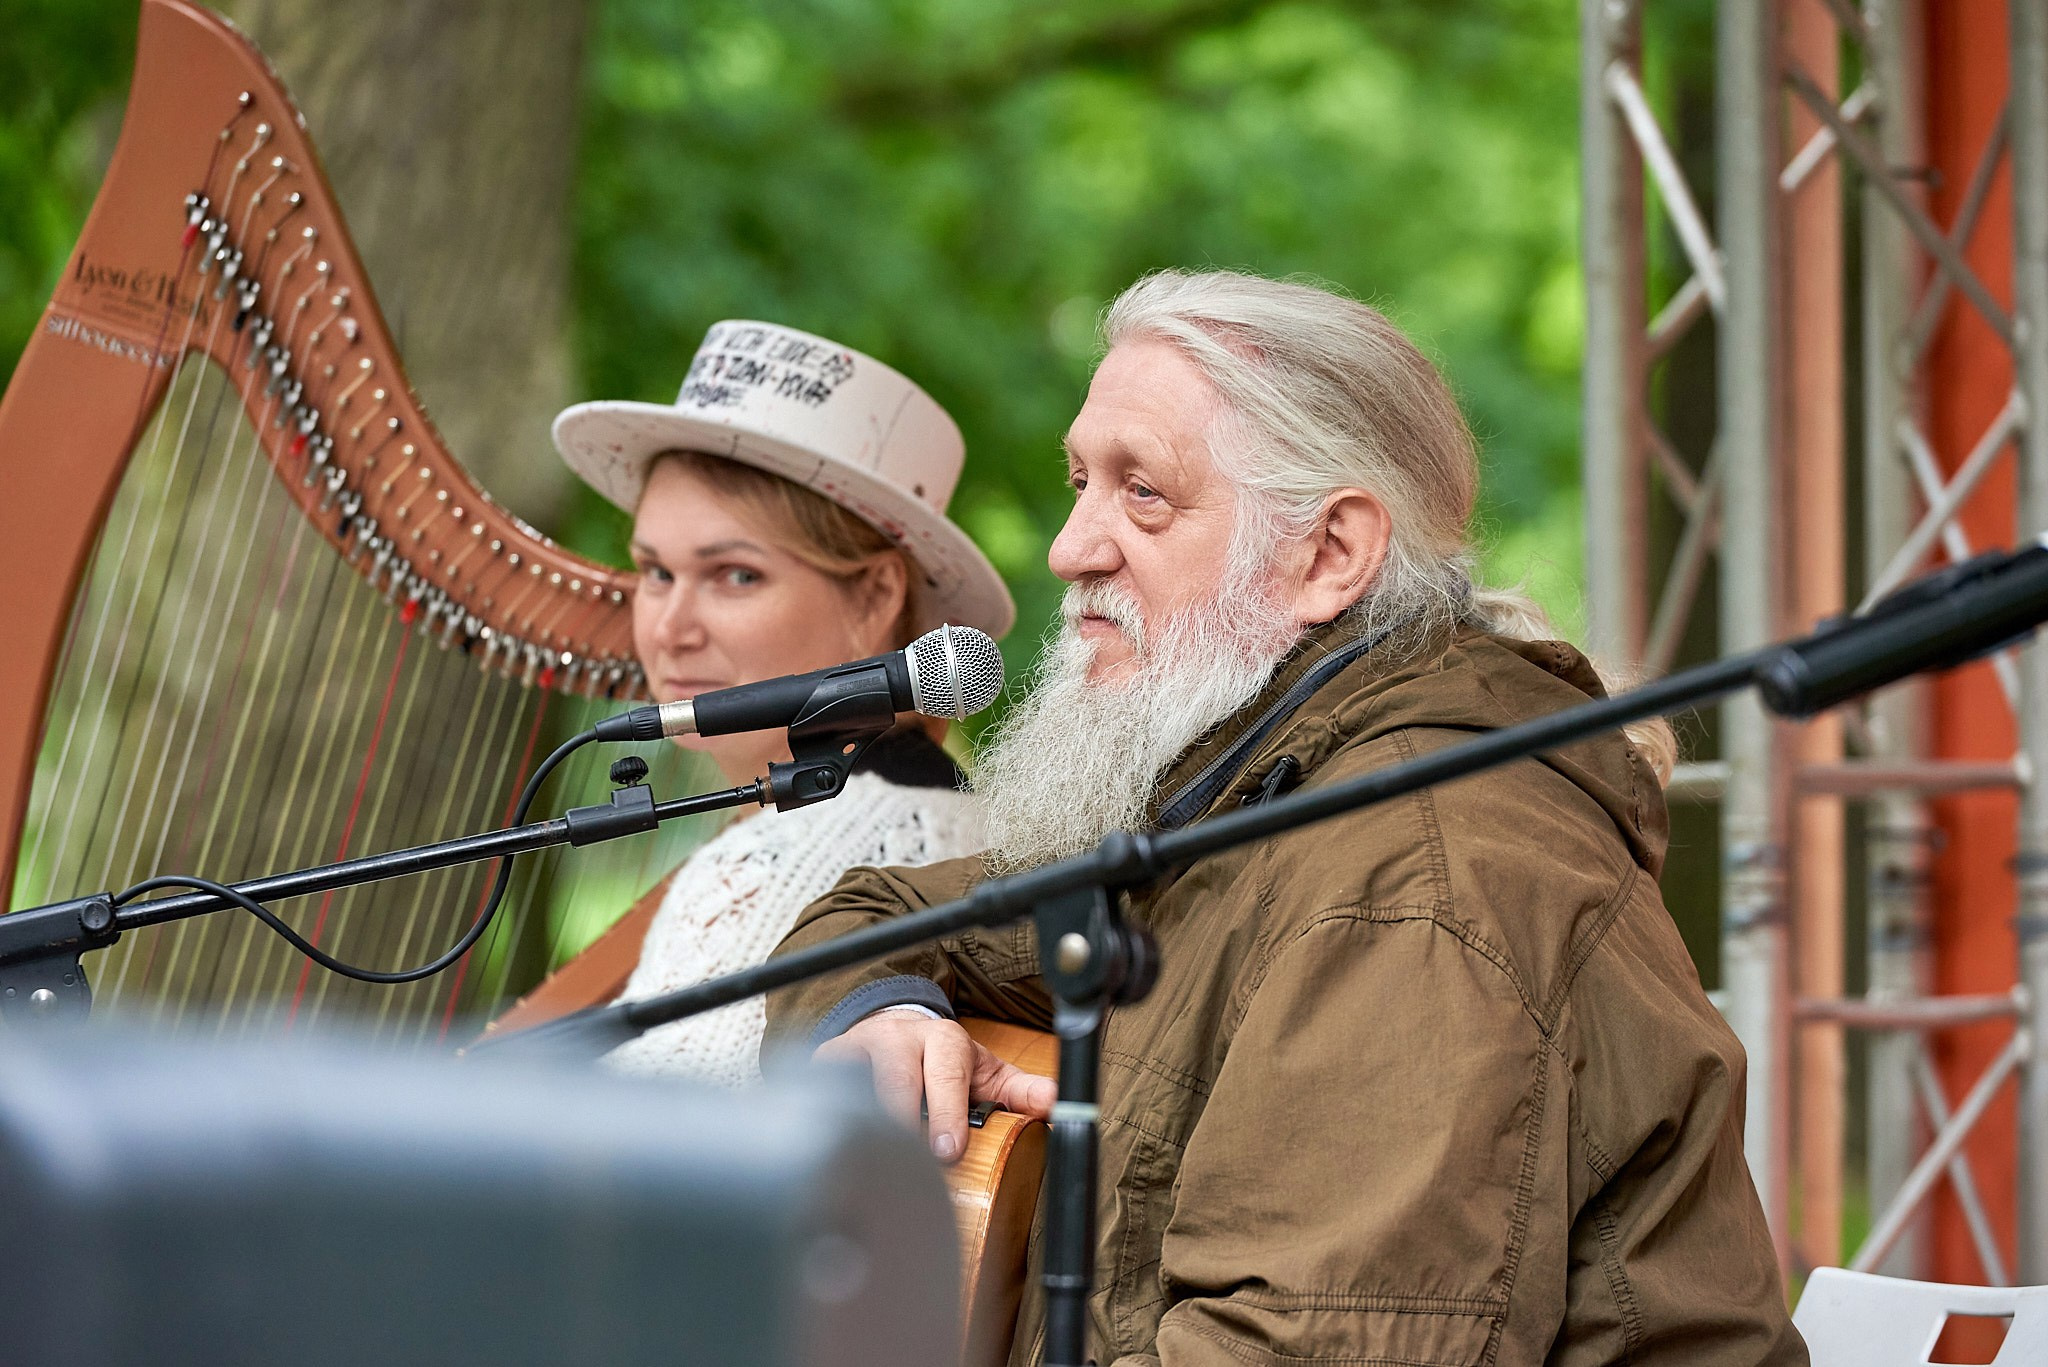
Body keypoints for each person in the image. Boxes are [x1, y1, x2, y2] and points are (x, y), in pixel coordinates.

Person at [764, 272, 1807, 1364]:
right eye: (1078, 481)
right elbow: (875, 908)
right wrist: (875, 1017)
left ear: (1329, 555)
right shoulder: (1253, 790)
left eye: (1143, 494)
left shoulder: (1410, 872)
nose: (1070, 547)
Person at [545, 319, 1013, 1087]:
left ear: (875, 594)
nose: (670, 627)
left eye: (734, 575)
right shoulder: (945, 817)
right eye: (655, 571)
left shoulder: (797, 855)